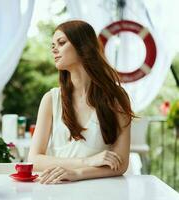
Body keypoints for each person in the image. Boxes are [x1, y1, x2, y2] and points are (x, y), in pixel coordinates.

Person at [27, 20, 135, 184]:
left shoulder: (116, 98)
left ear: (83, 46)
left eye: (61, 43)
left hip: (103, 193)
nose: (54, 49)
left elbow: (121, 164)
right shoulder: (51, 99)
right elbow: (34, 159)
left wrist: (78, 174)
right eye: (53, 45)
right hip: (58, 191)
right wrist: (86, 162)